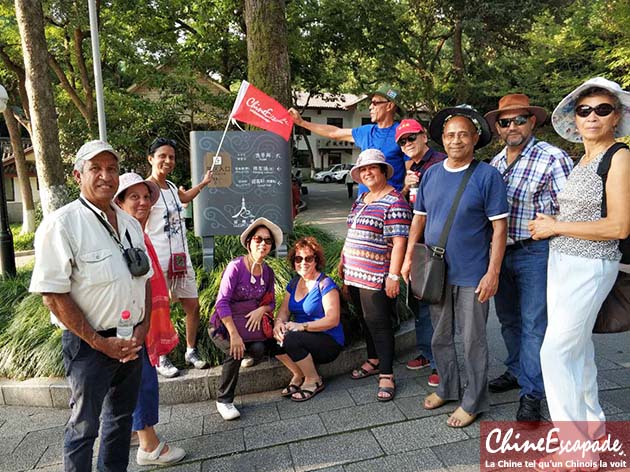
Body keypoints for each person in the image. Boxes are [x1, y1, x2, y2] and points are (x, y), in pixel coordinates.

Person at [29, 140, 152, 471]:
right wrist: (100, 343)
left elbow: (146, 280)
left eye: (111, 169)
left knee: (120, 421)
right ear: (77, 175)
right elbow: (53, 295)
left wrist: (143, 329)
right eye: (95, 168)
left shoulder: (128, 223)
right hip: (89, 346)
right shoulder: (62, 224)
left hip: (131, 342)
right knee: (84, 428)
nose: (105, 176)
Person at [529, 77, 630, 467]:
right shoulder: (582, 159)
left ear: (615, 116)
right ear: (575, 117)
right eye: (584, 110)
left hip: (591, 264)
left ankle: (575, 449)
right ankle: (593, 427)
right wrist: (555, 222)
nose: (591, 116)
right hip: (564, 260)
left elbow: (619, 226)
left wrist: (556, 227)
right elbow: (584, 214)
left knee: (554, 353)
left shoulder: (618, 156)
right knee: (578, 350)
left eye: (602, 109)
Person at [401, 106, 509, 428]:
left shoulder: (488, 176)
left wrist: (493, 272)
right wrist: (408, 257)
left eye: (463, 134)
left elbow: (500, 230)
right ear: (442, 140)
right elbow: (418, 220)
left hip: (473, 273)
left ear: (475, 138)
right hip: (436, 271)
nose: (456, 140)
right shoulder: (431, 174)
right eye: (450, 135)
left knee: (473, 339)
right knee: (440, 336)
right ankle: (448, 387)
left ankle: (473, 400)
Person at [485, 94, 573, 422]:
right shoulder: (494, 163)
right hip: (500, 253)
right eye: (505, 122)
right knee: (508, 320)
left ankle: (532, 393)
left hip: (535, 252)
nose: (512, 126)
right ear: (497, 127)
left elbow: (572, 210)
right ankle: (517, 370)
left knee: (535, 324)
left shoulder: (553, 157)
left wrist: (554, 231)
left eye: (519, 119)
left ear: (532, 121)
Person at [114, 173, 186, 466]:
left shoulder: (135, 231)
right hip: (129, 322)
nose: (143, 202)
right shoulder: (123, 233)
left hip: (137, 318)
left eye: (146, 197)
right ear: (119, 202)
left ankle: (135, 430)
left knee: (132, 380)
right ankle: (149, 446)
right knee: (142, 379)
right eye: (134, 197)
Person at [341, 148, 411, 402]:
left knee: (379, 323)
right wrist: (343, 260)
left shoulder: (394, 201)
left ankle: (387, 374)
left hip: (376, 274)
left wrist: (393, 276)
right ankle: (373, 359)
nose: (367, 172)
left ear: (383, 171)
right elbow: (352, 232)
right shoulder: (362, 199)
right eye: (363, 169)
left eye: (372, 167)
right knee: (365, 319)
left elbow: (399, 241)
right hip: (354, 271)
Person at [145, 137, 213, 378]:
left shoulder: (172, 187)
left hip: (181, 259)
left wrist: (203, 183)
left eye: (171, 157)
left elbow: (184, 199)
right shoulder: (145, 190)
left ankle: (190, 350)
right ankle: (161, 357)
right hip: (158, 260)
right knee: (160, 310)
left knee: (192, 305)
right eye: (162, 156)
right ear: (151, 158)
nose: (168, 160)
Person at [209, 217, 282, 420]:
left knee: (259, 348)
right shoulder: (235, 267)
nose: (263, 244)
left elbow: (272, 302)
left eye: (268, 241)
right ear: (249, 242)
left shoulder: (267, 272)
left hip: (249, 326)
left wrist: (263, 309)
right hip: (222, 325)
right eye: (258, 239)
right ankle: (224, 400)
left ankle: (248, 353)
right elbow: (221, 303)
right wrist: (233, 334)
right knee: (235, 350)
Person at [395, 118, 446, 388]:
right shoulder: (410, 168)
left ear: (424, 136)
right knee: (422, 304)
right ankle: (427, 354)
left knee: (437, 306)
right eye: (402, 141)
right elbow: (408, 208)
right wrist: (405, 185)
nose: (407, 144)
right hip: (418, 245)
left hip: (439, 245)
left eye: (411, 138)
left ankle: (442, 363)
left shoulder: (439, 163)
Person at [289, 85, 407, 194]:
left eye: (375, 103)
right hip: (364, 203)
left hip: (390, 205)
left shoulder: (402, 134)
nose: (370, 107)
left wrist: (401, 197)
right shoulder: (365, 132)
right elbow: (334, 133)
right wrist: (302, 122)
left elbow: (411, 173)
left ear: (390, 106)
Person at [273, 237, 345, 402]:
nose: (303, 262)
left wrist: (301, 326)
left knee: (291, 339)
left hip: (328, 340)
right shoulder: (293, 284)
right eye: (298, 259)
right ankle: (299, 374)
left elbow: (332, 319)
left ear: (316, 261)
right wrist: (278, 324)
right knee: (274, 337)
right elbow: (284, 310)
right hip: (303, 335)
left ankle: (314, 380)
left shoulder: (325, 284)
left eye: (308, 258)